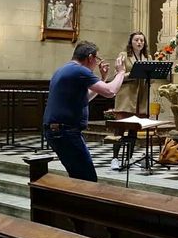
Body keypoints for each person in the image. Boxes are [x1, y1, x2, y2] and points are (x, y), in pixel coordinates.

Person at [43, 42, 125, 182]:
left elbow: (85, 98)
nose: (96, 63)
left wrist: (103, 79)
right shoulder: (79, 71)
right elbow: (110, 91)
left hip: (57, 131)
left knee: (79, 177)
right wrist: (121, 72)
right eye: (97, 59)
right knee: (87, 179)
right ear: (90, 57)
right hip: (65, 132)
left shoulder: (64, 69)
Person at [110, 31, 152, 170]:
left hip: (141, 97)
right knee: (120, 129)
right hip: (126, 96)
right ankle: (115, 158)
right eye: (136, 40)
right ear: (131, 42)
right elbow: (117, 75)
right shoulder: (123, 55)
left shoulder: (147, 57)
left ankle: (129, 158)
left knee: (134, 130)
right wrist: (133, 73)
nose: (139, 42)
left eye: (142, 40)